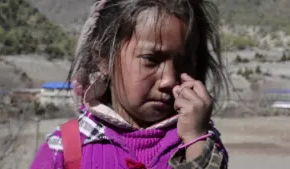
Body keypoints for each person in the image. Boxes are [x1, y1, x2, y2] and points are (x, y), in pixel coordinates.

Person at [30, 0, 229, 168]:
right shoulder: (66, 148)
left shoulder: (200, 143)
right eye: (151, 59)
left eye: (184, 62)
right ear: (104, 58)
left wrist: (195, 140)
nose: (169, 79)